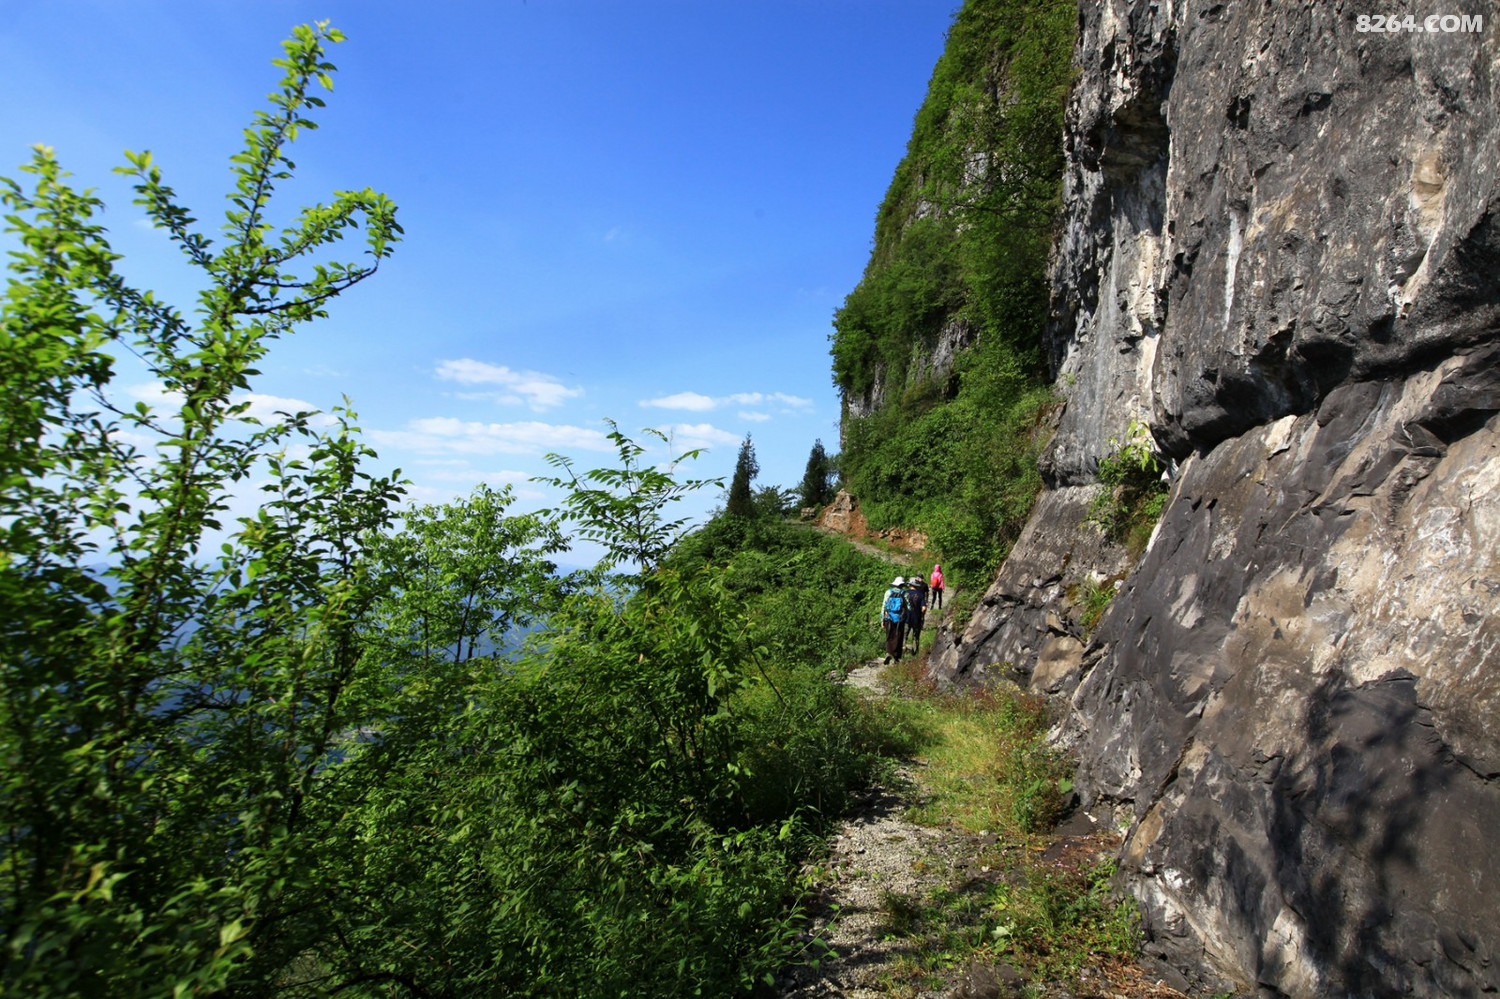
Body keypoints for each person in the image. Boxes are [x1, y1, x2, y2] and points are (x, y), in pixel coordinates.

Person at [879, 576, 907, 664]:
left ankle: (888, 653)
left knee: (889, 635)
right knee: (898, 636)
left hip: (888, 617)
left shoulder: (888, 592)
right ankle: (896, 657)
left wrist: (882, 619)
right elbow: (908, 607)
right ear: (902, 585)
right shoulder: (904, 593)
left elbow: (884, 606)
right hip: (900, 618)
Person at [904, 577, 928, 654]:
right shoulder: (920, 595)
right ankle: (915, 652)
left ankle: (903, 649)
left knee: (905, 635)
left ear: (910, 585)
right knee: (915, 636)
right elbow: (924, 608)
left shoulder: (905, 593)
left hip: (906, 618)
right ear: (917, 586)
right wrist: (921, 615)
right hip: (916, 619)